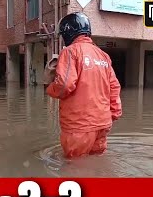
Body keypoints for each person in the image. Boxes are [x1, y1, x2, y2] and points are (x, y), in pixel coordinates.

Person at [44, 12, 122, 158]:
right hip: (103, 124)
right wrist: (114, 113)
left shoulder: (70, 52)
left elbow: (65, 85)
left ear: (68, 32)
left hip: (79, 126)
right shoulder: (103, 55)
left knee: (75, 167)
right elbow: (114, 87)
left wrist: (49, 89)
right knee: (96, 163)